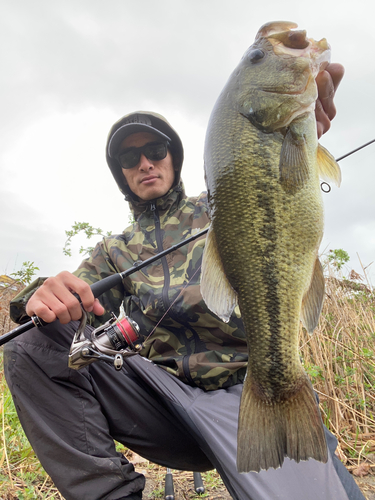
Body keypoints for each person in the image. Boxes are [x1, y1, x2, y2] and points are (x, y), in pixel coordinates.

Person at [4, 63, 364, 500]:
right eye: (128, 158)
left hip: (251, 396)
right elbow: (68, 299)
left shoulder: (222, 204)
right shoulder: (113, 250)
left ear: (173, 155)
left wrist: (287, 145)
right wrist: (37, 295)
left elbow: (269, 191)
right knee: (29, 344)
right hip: (164, 405)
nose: (144, 163)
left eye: (155, 149)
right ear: (120, 172)